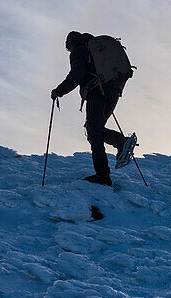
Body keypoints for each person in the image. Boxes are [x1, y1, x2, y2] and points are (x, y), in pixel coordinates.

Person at [51, 31, 137, 186]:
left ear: (71, 44)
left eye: (68, 49)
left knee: (94, 131)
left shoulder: (79, 51)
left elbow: (76, 75)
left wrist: (59, 91)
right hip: (114, 90)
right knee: (94, 130)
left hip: (97, 92)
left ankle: (103, 174)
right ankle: (120, 144)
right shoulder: (96, 50)